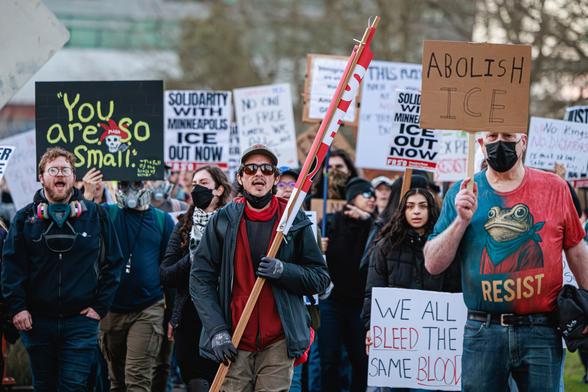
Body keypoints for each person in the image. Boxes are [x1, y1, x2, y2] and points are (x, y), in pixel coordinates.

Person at [424, 131, 588, 391]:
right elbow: (433, 263)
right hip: (483, 332)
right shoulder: (463, 191)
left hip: (541, 330)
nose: (500, 142)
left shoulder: (555, 187)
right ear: (481, 143)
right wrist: (461, 220)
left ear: (523, 141)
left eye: (508, 135)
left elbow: (576, 250)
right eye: (492, 136)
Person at [190, 144, 330, 391]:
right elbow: (200, 279)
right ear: (240, 177)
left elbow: (319, 278)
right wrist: (217, 331)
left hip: (278, 341)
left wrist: (284, 271)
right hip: (234, 339)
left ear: (275, 178)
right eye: (251, 168)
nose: (258, 174)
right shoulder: (222, 220)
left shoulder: (292, 219)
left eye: (266, 169)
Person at [2, 147, 124, 391]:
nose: (60, 174)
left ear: (73, 177)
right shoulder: (25, 218)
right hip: (37, 323)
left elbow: (114, 262)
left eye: (65, 170)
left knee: (73, 386)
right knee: (45, 386)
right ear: (41, 177)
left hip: (80, 322)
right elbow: (11, 268)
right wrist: (18, 308)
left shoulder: (96, 215)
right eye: (53, 170)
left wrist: (100, 307)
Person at [86, 178, 175, 392]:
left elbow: (169, 271)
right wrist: (89, 196)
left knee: (138, 379)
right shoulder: (108, 213)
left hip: (148, 308)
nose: (131, 191)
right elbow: (83, 230)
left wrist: (173, 314)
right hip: (111, 309)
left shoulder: (162, 221)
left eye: (137, 183)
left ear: (149, 184)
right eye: (124, 185)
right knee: (117, 381)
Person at [362, 188, 460, 357]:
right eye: (410, 206)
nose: (416, 211)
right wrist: (371, 327)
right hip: (395, 341)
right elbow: (373, 292)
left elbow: (455, 290)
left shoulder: (444, 247)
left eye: (422, 206)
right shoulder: (385, 247)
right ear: (403, 211)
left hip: (435, 341)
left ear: (431, 210)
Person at [160, 166, 232, 392]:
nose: (196, 188)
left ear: (219, 190)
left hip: (223, 314)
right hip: (189, 317)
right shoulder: (183, 225)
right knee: (196, 381)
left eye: (203, 183)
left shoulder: (232, 223)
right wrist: (192, 257)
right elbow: (166, 274)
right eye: (193, 184)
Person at [319, 177, 375, 392]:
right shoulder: (330, 222)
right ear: (353, 198)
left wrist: (369, 220)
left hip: (359, 305)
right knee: (329, 359)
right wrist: (319, 244)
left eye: (373, 196)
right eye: (366, 194)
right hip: (331, 303)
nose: (371, 200)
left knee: (361, 359)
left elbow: (384, 234)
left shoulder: (374, 225)